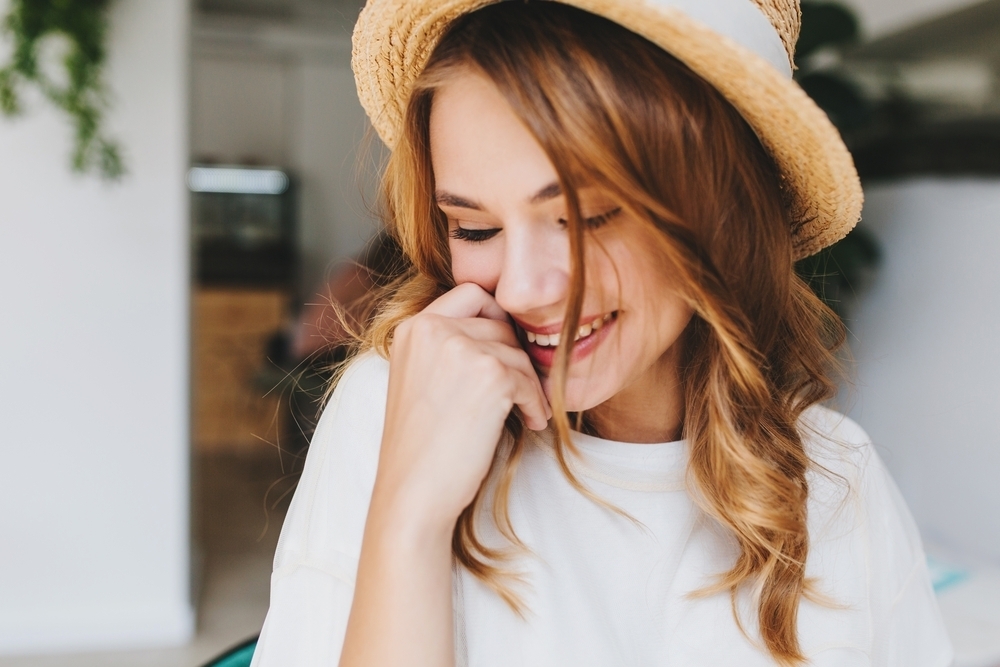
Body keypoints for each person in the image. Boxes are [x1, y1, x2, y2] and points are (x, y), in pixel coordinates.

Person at [251, 1, 953, 666]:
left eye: (588, 217)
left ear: (718, 210)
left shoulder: (837, 480)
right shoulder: (399, 405)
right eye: (475, 227)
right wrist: (410, 518)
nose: (524, 287)